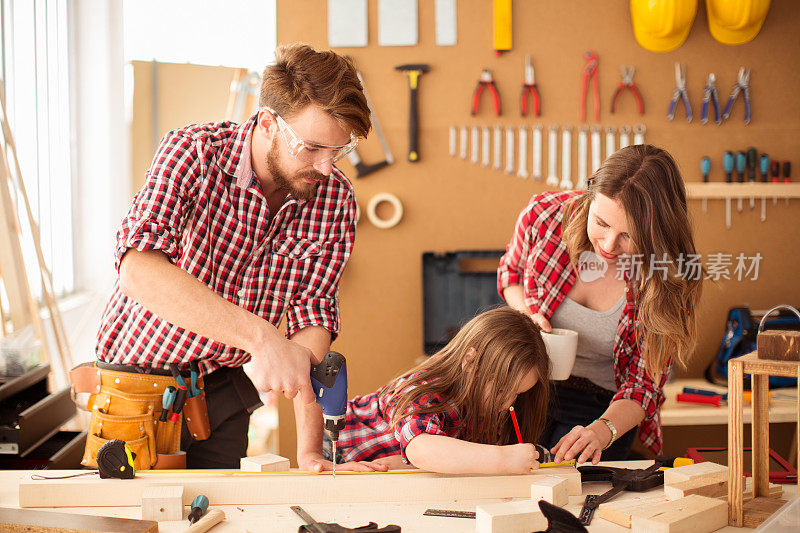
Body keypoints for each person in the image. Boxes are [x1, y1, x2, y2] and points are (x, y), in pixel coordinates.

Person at [86, 44, 383, 471]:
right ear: (267, 123)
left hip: (221, 396)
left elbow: (313, 314)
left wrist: (311, 452)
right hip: (137, 387)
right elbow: (138, 270)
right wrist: (262, 339)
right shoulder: (193, 153)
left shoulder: (334, 199)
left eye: (337, 151)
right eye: (312, 148)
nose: (324, 168)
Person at [497, 145, 703, 464]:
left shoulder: (670, 277)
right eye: (602, 224)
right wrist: (528, 315)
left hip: (603, 403)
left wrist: (601, 431)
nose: (608, 246)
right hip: (529, 385)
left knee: (574, 487)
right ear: (590, 196)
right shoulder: (544, 215)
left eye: (628, 236)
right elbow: (510, 273)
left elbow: (642, 385)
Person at [326, 307, 551, 474]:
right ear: (470, 362)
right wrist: (503, 459)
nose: (507, 403)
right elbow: (421, 449)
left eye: (518, 393)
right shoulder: (424, 389)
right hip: (340, 453)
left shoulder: (486, 394)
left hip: (394, 475)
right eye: (502, 390)